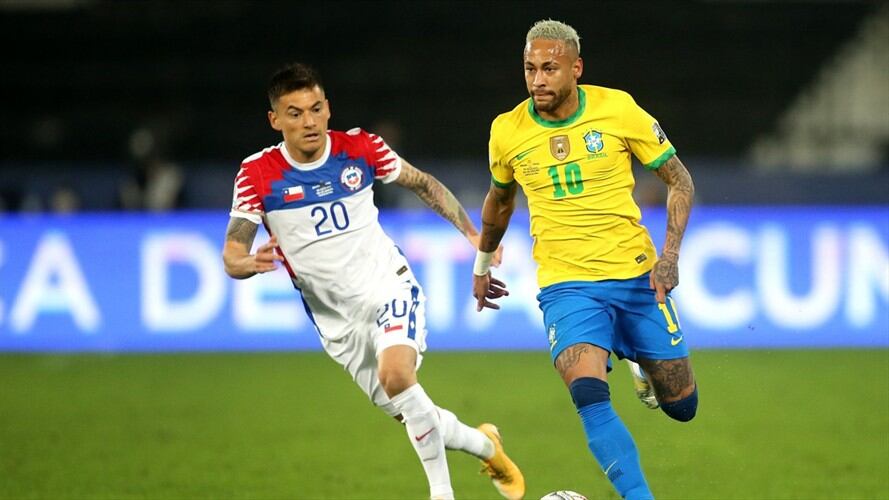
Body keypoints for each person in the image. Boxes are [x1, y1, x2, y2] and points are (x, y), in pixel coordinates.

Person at [222, 63, 524, 500]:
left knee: (398, 376)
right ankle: (485, 446)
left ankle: (442, 494)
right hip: (337, 323)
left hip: (388, 286)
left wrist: (473, 234)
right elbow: (233, 251)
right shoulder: (257, 174)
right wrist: (244, 263)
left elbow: (422, 184)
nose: (309, 121)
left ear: (327, 108)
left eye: (316, 108)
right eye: (294, 113)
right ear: (275, 120)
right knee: (414, 413)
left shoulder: (360, 148)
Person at [471, 20, 698, 500]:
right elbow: (500, 202)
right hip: (567, 286)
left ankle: (641, 367)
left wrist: (670, 255)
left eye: (549, 68)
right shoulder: (507, 131)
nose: (538, 80)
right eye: (530, 69)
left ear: (576, 68)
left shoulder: (619, 109)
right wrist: (482, 262)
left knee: (683, 405)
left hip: (637, 276)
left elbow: (680, 180)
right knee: (588, 395)